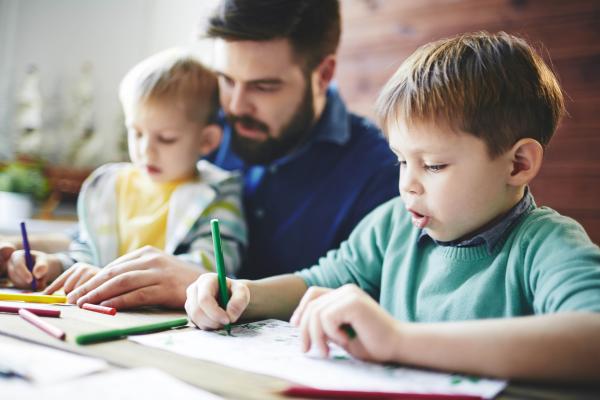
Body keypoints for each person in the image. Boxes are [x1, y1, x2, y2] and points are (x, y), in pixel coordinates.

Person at [185, 32, 600, 381]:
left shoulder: (544, 244)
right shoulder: (394, 225)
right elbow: (320, 279)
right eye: (402, 160)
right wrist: (241, 294)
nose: (407, 184)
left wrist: (399, 340)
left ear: (518, 163)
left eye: (434, 165)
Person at [62, 0, 398, 309]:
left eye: (263, 86)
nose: (236, 106)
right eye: (226, 80)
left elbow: (367, 297)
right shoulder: (201, 129)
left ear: (323, 74)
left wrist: (202, 283)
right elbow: (101, 231)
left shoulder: (379, 173)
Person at [5, 49, 246, 308]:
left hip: (166, 324)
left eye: (166, 138)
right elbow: (88, 253)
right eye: (137, 132)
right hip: (97, 314)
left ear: (207, 140)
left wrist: (106, 277)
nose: (145, 150)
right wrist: (52, 266)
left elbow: (213, 271)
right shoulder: (109, 187)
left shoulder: (218, 193)